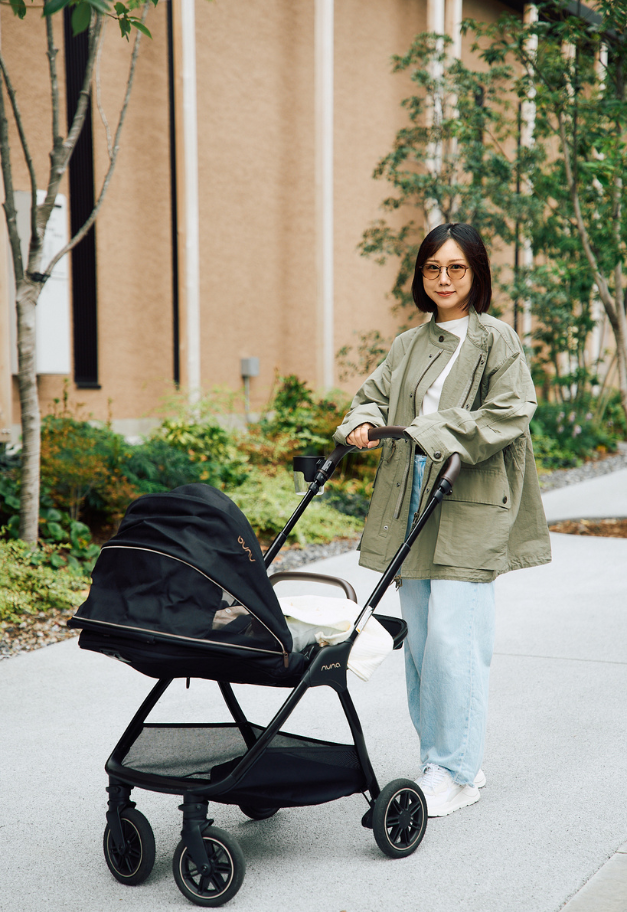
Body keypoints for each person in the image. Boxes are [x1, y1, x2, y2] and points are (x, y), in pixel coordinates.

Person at [334, 223, 551, 817]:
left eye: (457, 268)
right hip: (413, 506)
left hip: (471, 504)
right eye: (433, 268)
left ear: (476, 273)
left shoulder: (497, 340)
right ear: (420, 276)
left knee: (457, 644)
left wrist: (429, 431)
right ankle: (444, 762)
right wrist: (360, 421)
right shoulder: (408, 344)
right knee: (424, 646)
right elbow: (371, 396)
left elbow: (511, 412)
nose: (445, 279)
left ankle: (455, 771)